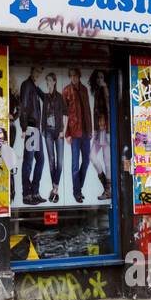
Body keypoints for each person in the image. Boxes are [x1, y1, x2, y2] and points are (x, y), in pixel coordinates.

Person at [62, 68, 93, 204]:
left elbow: (88, 110)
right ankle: (77, 192)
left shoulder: (84, 89)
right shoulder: (66, 90)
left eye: (75, 76)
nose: (73, 78)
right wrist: (67, 133)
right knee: (75, 164)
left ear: (79, 76)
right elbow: (64, 114)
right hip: (74, 132)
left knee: (86, 161)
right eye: (71, 76)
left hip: (85, 132)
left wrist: (90, 129)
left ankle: (78, 187)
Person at [17, 67, 45, 205]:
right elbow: (22, 106)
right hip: (30, 127)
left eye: (39, 73)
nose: (37, 75)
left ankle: (35, 192)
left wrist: (38, 87)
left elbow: (45, 98)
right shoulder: (26, 85)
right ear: (31, 71)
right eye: (36, 72)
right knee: (28, 162)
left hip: (36, 129)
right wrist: (24, 127)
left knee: (40, 160)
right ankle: (27, 194)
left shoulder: (34, 86)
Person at [40, 72, 66, 204]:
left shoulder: (60, 97)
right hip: (48, 131)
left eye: (49, 81)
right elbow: (43, 114)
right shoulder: (45, 97)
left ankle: (54, 188)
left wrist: (63, 130)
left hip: (58, 131)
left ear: (54, 82)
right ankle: (55, 189)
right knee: (51, 160)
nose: (48, 83)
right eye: (47, 81)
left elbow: (65, 114)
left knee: (60, 161)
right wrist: (43, 129)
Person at [87, 69, 112, 201]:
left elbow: (109, 108)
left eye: (102, 77)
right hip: (99, 130)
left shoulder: (106, 90)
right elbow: (95, 112)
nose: (99, 80)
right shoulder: (97, 92)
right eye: (97, 78)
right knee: (92, 156)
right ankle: (107, 187)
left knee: (107, 161)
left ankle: (108, 190)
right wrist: (94, 130)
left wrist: (105, 88)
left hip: (107, 130)